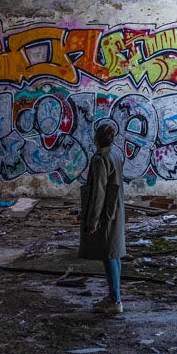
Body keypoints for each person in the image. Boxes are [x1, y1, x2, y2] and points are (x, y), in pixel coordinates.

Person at [79, 122, 126, 316]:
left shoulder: (100, 159)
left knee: (108, 254)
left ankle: (115, 300)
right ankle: (114, 296)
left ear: (96, 140)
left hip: (106, 212)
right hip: (116, 209)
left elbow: (98, 191)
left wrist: (92, 220)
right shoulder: (115, 155)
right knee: (114, 252)